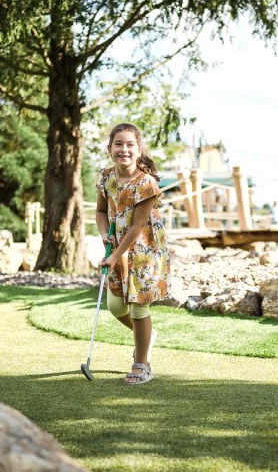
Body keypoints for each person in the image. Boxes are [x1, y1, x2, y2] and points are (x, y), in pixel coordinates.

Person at [96, 123, 171, 385]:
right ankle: (146, 337)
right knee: (116, 306)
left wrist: (114, 255)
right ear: (110, 148)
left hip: (145, 251)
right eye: (118, 144)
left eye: (130, 145)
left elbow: (138, 226)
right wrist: (105, 235)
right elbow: (100, 212)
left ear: (139, 150)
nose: (124, 149)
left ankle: (142, 364)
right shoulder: (106, 177)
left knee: (139, 309)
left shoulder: (146, 183)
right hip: (118, 246)